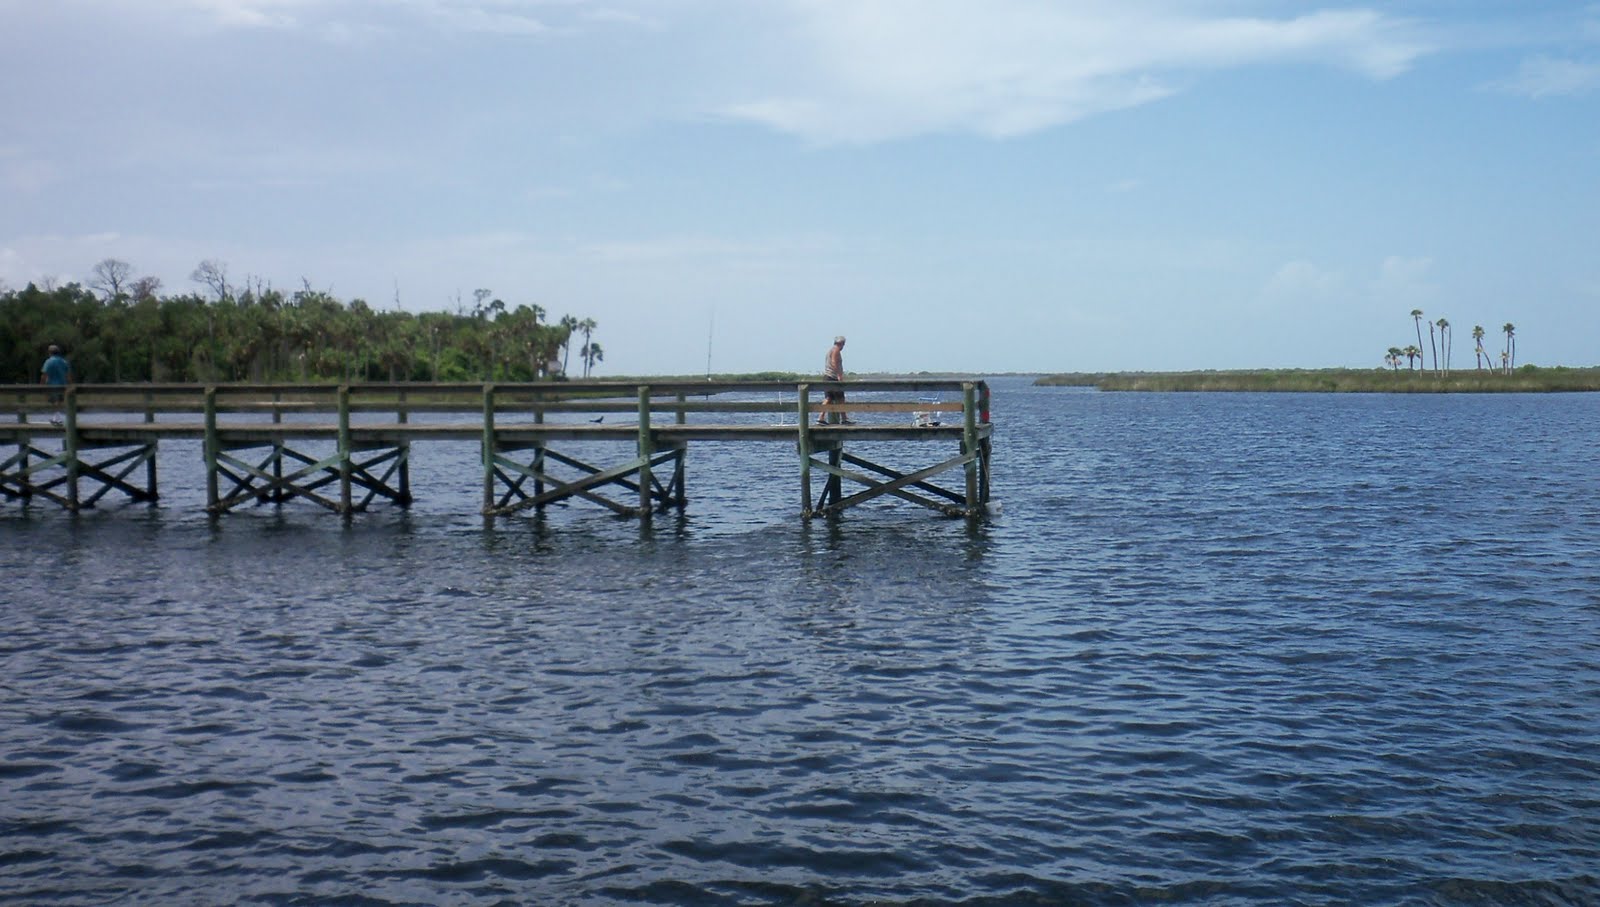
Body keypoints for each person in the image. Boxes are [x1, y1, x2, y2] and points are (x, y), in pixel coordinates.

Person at [817, 335, 854, 425]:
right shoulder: (836, 350)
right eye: (843, 344)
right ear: (841, 343)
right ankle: (843, 419)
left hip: (828, 377)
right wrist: (839, 375)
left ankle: (821, 417)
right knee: (840, 398)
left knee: (829, 398)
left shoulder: (831, 350)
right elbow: (834, 362)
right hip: (833, 377)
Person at [40, 344, 71, 426]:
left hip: (51, 385)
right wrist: (70, 384)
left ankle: (57, 419)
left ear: (50, 352)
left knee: (54, 402)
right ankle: (56, 418)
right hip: (62, 385)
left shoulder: (48, 361)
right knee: (59, 402)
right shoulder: (64, 362)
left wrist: (41, 385)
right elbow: (68, 375)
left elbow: (44, 375)